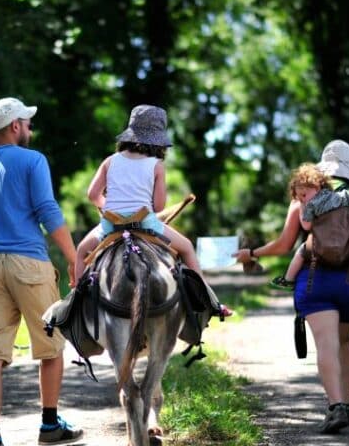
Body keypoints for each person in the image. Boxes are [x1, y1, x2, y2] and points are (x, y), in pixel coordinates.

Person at [234, 140, 349, 433]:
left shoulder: (303, 199)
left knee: (326, 343)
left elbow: (285, 244)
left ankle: (335, 406)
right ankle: (348, 406)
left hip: (314, 280)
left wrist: (252, 254)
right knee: (345, 343)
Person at [0, 97, 84, 446]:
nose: (30, 128)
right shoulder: (34, 161)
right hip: (29, 264)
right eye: (27, 122)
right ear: (15, 126)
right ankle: (49, 425)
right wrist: (74, 260)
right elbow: (47, 211)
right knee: (51, 345)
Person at [72, 104, 233, 317]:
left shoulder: (110, 161)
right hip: (145, 224)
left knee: (82, 251)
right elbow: (158, 207)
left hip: (111, 225)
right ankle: (209, 301)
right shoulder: (156, 165)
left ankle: (76, 304)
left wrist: (110, 209)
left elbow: (93, 195)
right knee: (186, 248)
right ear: (158, 139)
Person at [271, 172, 349, 307]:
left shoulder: (311, 206)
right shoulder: (344, 196)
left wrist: (302, 207)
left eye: (303, 196)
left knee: (300, 252)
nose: (303, 199)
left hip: (319, 246)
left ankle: (289, 279)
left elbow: (306, 225)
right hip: (348, 245)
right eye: (300, 198)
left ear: (316, 188)